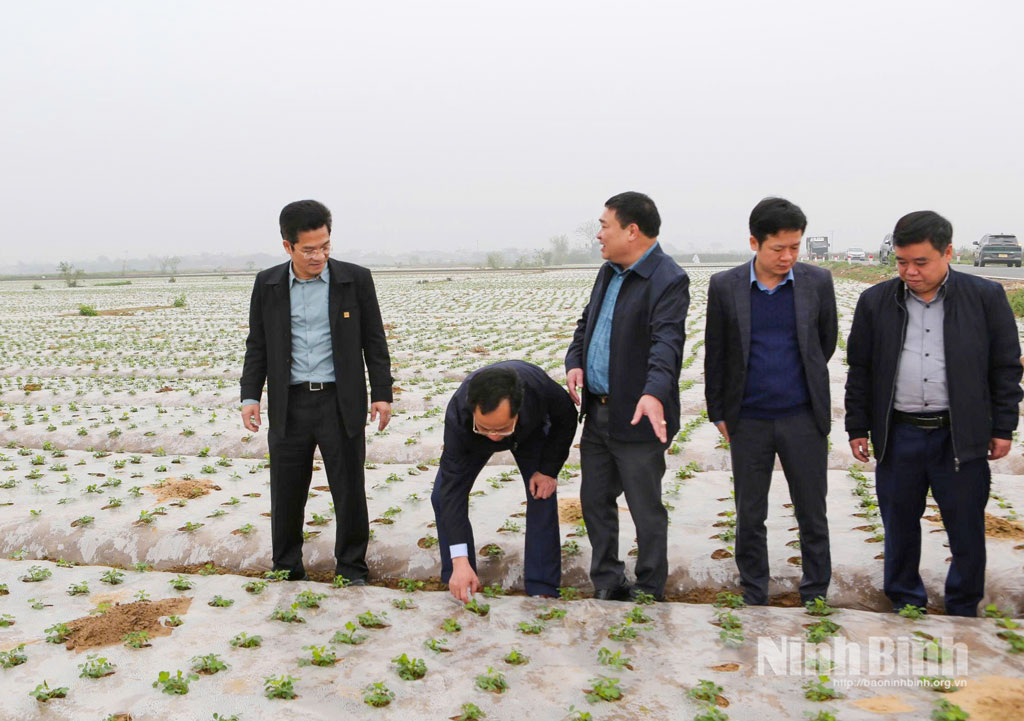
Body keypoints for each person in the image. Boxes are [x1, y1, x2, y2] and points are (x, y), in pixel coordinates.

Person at [846, 210, 1022, 617]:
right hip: (900, 433)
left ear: (948, 252)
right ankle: (906, 602)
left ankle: (962, 607)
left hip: (958, 435)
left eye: (921, 262)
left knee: (965, 529)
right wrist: (857, 425)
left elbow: (1006, 368)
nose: (910, 271)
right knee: (899, 527)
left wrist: (1003, 426)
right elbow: (862, 369)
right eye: (902, 261)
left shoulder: (985, 297)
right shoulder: (876, 302)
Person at [240, 199, 393, 583]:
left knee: (349, 488)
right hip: (290, 403)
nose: (319, 255)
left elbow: (374, 342)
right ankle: (287, 567)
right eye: (309, 249)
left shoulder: (354, 279)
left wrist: (382, 392)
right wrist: (250, 396)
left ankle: (352, 567)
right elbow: (257, 345)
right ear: (287, 246)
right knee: (287, 490)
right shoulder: (269, 284)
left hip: (340, 401)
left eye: (325, 246)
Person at [704, 197, 837, 606]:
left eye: (795, 247)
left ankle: (815, 590)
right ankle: (754, 588)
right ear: (754, 243)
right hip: (749, 419)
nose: (788, 256)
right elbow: (717, 352)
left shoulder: (817, 282)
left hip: (803, 416)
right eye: (778, 248)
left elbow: (824, 343)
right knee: (750, 511)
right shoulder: (725, 286)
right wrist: (719, 412)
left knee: (812, 510)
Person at [565, 191, 689, 601]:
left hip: (638, 416)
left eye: (605, 226)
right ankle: (608, 582)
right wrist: (575, 361)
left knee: (644, 507)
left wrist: (654, 393)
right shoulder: (609, 271)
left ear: (631, 231)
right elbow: (588, 322)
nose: (599, 234)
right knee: (595, 501)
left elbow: (666, 344)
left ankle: (650, 587)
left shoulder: (667, 279)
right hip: (598, 412)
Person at [431, 361, 577, 602]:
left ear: (518, 411)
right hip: (472, 442)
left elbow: (566, 419)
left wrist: (548, 470)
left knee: (541, 491)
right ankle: (458, 575)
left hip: (528, 436)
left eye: (501, 428)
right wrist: (459, 559)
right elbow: (451, 490)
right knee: (440, 496)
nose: (494, 436)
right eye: (486, 427)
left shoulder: (539, 389)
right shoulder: (459, 414)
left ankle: (543, 586)